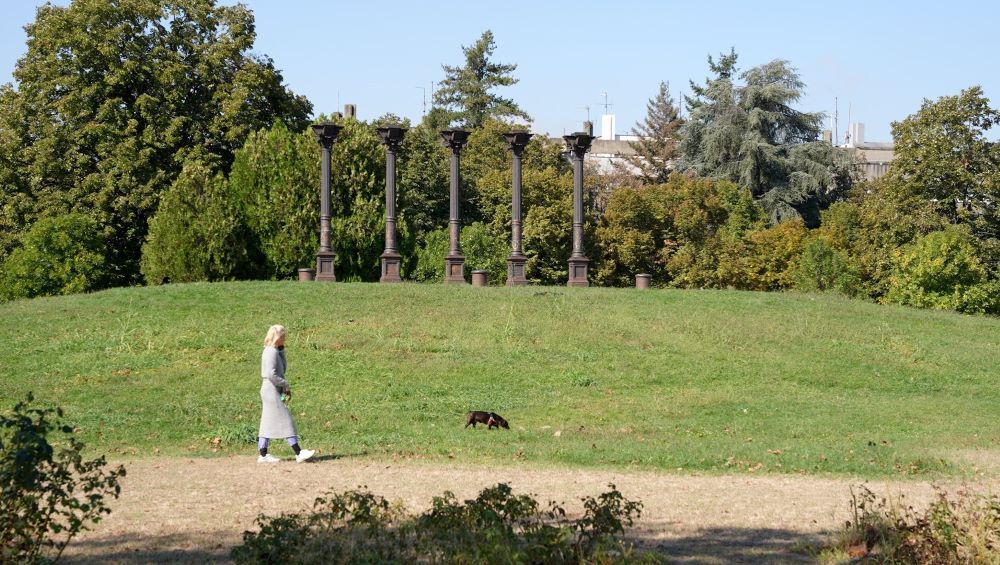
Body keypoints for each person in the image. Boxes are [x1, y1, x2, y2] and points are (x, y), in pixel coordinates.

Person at [257, 324, 314, 463]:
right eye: (283, 337)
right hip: (271, 390)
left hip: (270, 389)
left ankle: (263, 454)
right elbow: (271, 374)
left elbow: (283, 368)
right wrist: (285, 384)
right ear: (278, 337)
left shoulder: (273, 351)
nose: (285, 339)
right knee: (286, 420)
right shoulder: (271, 352)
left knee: (267, 422)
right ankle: (298, 452)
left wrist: (282, 351)